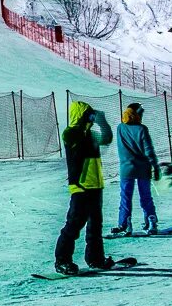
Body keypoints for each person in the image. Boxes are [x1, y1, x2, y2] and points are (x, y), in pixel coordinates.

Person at [54, 100, 114, 275]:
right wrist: (86, 122)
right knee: (74, 224)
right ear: (80, 116)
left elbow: (107, 138)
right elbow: (74, 139)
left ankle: (95, 258)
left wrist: (102, 122)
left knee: (95, 225)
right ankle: (62, 260)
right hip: (80, 186)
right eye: (88, 114)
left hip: (95, 185)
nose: (91, 118)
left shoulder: (90, 135)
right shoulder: (71, 133)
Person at [110, 103, 161, 236]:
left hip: (126, 168)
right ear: (136, 114)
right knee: (146, 196)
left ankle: (125, 224)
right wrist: (155, 166)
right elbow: (149, 150)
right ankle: (151, 221)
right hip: (143, 168)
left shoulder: (120, 128)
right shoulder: (142, 129)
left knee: (125, 197)